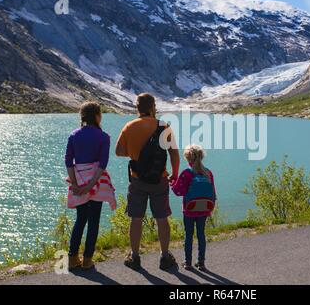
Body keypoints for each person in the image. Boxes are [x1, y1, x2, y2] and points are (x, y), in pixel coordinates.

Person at [116, 93, 180, 271]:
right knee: (162, 218)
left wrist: (136, 153)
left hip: (137, 180)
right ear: (153, 107)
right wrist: (174, 174)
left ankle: (135, 257)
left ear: (137, 108)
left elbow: (118, 151)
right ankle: (164, 256)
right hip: (159, 179)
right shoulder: (163, 126)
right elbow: (174, 154)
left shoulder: (129, 126)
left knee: (136, 219)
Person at [65, 102, 116, 270]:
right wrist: (91, 185)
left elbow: (69, 162)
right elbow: (103, 164)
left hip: (78, 180)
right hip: (97, 182)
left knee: (80, 220)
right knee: (94, 221)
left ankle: (72, 258)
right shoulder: (104, 137)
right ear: (97, 116)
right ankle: (87, 260)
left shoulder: (73, 135)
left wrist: (75, 184)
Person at [171, 144, 217, 271]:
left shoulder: (187, 173)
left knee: (189, 235)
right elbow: (213, 193)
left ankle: (187, 262)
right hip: (204, 210)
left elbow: (178, 191)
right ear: (201, 157)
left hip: (189, 210)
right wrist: (210, 208)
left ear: (187, 158)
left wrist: (173, 183)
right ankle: (201, 262)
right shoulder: (208, 173)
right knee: (201, 235)